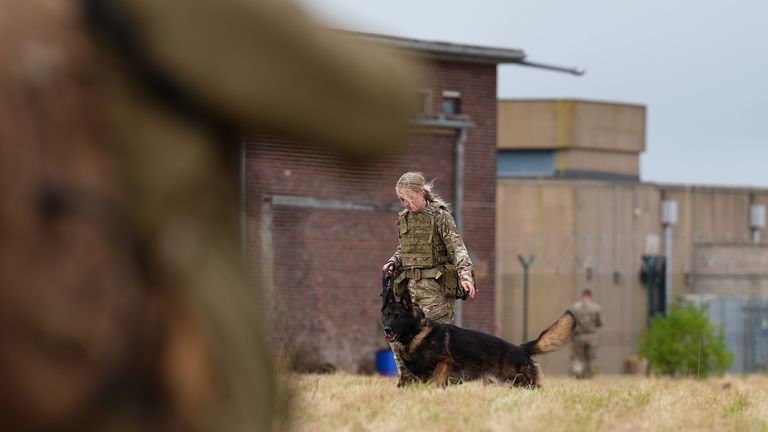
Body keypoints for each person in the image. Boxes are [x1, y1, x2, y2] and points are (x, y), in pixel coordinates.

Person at [382, 172, 476, 323]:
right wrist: (393, 262)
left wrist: (466, 276)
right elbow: (404, 250)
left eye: (410, 198)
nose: (406, 203)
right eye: (401, 199)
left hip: (436, 291)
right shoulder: (405, 218)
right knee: (412, 341)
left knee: (437, 341)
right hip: (410, 291)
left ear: (421, 192)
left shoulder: (440, 216)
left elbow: (458, 249)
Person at [570, 289, 602, 379]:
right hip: (591, 336)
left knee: (578, 357)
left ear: (582, 296)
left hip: (578, 336)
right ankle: (590, 374)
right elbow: (599, 323)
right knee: (591, 357)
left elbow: (571, 322)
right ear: (590, 297)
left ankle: (578, 374)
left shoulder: (575, 307)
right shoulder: (596, 307)